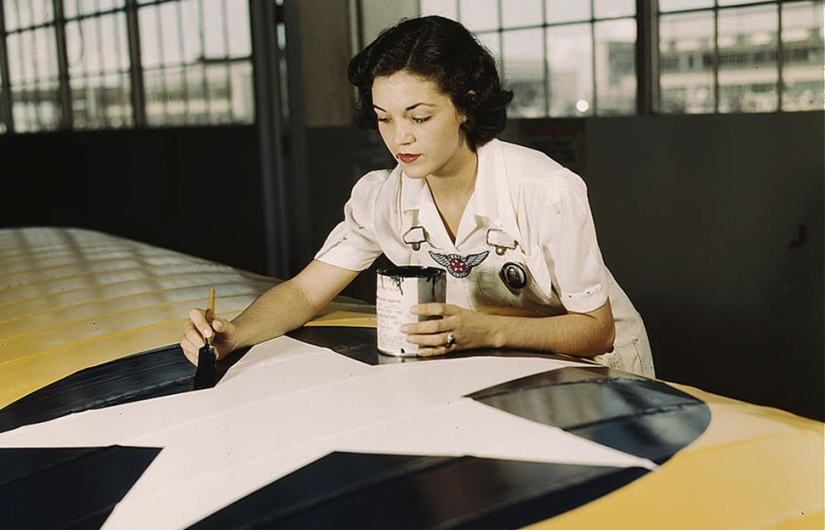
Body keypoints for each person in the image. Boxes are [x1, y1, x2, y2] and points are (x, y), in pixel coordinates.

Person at [181, 15, 655, 377]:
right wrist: (233, 334)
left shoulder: (544, 189)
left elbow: (597, 328)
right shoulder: (381, 197)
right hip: (496, 361)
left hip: (603, 371)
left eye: (419, 117)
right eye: (384, 117)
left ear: (466, 105)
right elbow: (307, 290)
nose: (399, 138)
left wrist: (486, 330)